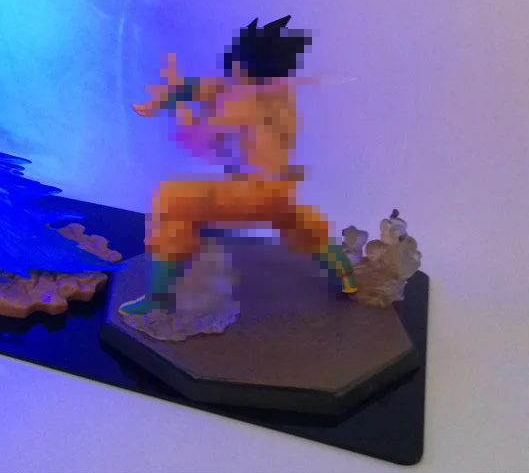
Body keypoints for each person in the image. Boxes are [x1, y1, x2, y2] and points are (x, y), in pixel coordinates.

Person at [120, 16, 356, 316]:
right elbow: (208, 88)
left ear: (243, 66)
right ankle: (347, 278)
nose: (228, 68)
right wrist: (169, 96)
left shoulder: (245, 100)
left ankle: (158, 297)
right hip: (279, 189)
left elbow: (197, 138)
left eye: (234, 63)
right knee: (300, 222)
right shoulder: (278, 94)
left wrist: (176, 107)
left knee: (171, 200)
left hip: (252, 194)